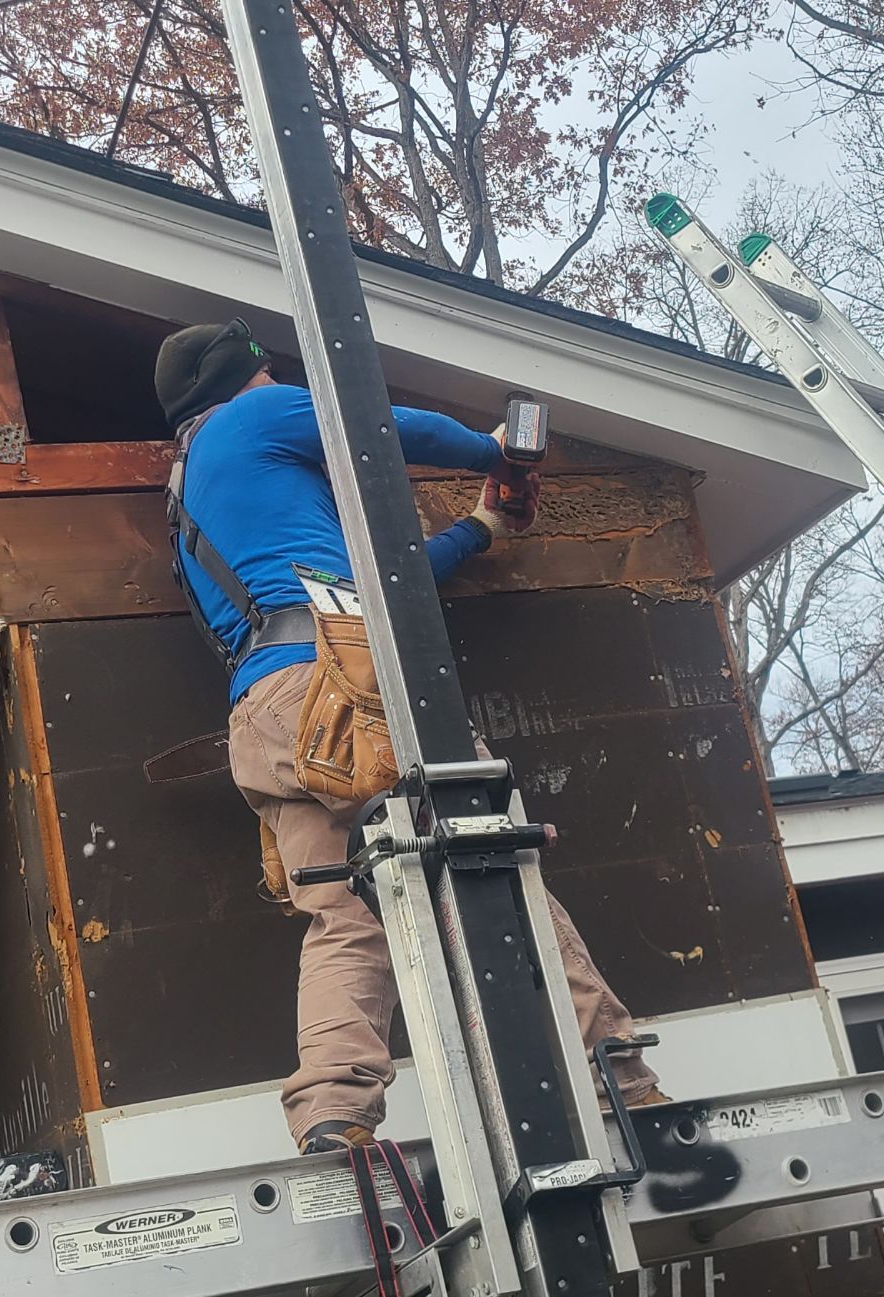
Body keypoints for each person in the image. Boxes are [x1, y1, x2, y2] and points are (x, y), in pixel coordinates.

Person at [154, 319, 663, 1153]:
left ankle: (331, 1113)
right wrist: (492, 450)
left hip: (269, 716)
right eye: (267, 371)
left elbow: (371, 592)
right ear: (247, 376)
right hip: (342, 688)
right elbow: (370, 424)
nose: (277, 379)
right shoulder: (253, 416)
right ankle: (623, 1084)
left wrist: (480, 531)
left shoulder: (193, 499)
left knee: (345, 920)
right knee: (489, 864)